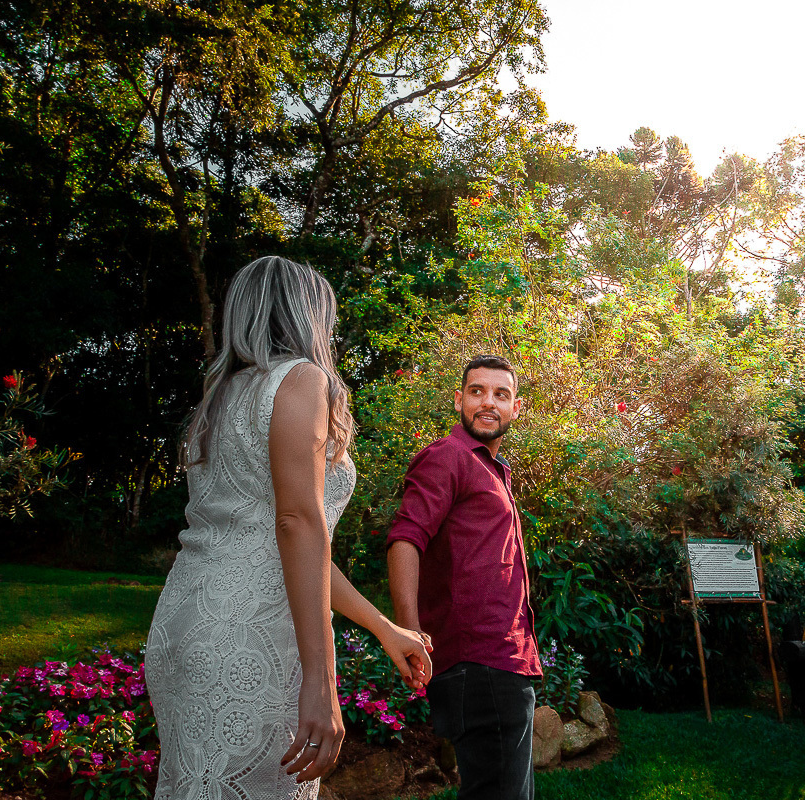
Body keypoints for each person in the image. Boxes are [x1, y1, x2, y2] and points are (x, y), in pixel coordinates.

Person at [145, 256, 431, 800]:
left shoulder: (220, 398)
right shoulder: (301, 380)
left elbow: (294, 545)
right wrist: (321, 683)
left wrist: (382, 627)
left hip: (183, 628)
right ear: (306, 315)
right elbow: (298, 524)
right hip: (249, 639)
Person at [386, 354, 542, 800]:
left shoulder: (495, 470)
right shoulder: (448, 457)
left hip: (505, 663)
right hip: (480, 664)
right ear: (459, 401)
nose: (488, 402)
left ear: (516, 408)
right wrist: (408, 629)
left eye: (501, 394)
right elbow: (406, 539)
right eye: (477, 392)